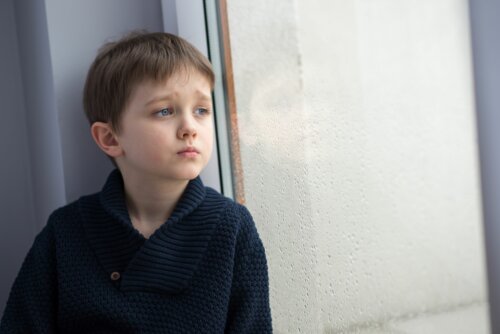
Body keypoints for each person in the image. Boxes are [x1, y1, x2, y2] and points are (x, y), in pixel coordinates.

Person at [0, 31, 272, 333]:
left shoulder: (232, 228)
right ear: (110, 138)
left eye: (201, 110)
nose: (189, 127)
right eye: (165, 111)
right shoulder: (65, 232)